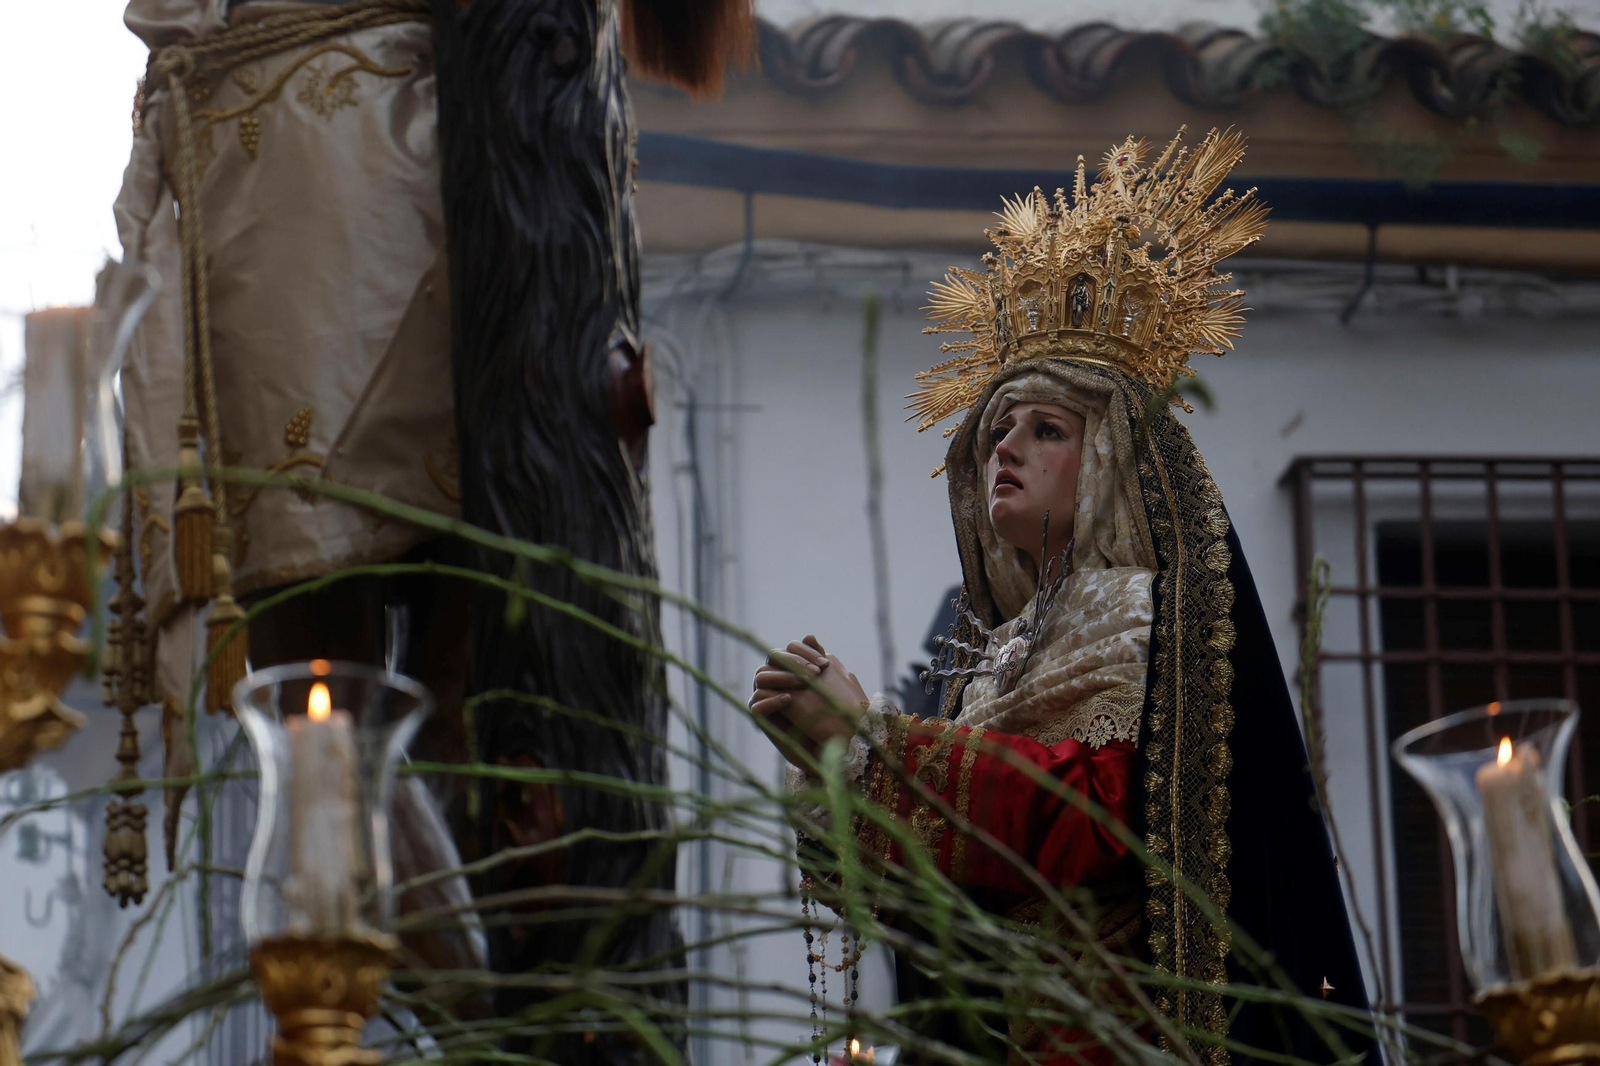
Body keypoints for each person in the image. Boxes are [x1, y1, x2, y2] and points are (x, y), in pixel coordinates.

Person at [750, 129, 1373, 1065]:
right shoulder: (984, 654)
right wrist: (834, 769)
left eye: (1046, 429)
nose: (1004, 447)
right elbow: (944, 893)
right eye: (998, 427)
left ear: (1112, 463)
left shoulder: (1130, 611)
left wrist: (876, 744)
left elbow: (1098, 823)